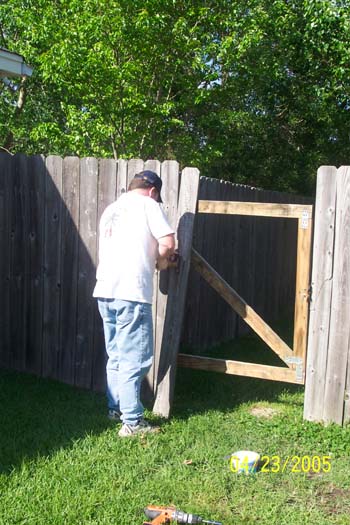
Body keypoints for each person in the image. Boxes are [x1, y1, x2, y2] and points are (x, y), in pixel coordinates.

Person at [93, 170, 175, 437]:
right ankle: (133, 422)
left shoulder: (112, 209)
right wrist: (161, 263)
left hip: (105, 290)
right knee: (135, 359)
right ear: (152, 191)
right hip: (131, 292)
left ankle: (115, 409)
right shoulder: (148, 205)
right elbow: (168, 243)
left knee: (116, 355)